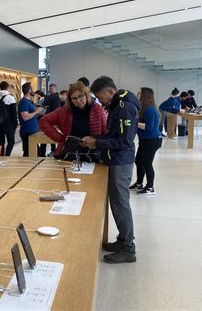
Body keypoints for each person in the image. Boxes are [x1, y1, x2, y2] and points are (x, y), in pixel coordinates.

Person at [82, 76, 139, 264]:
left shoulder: (124, 108)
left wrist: (97, 142)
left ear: (110, 92)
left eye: (102, 97)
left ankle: (128, 248)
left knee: (121, 204)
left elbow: (124, 141)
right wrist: (96, 138)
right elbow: (114, 134)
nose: (102, 102)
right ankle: (123, 241)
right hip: (115, 159)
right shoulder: (118, 106)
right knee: (117, 204)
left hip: (121, 161)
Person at [39, 81, 107, 160]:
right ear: (70, 99)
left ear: (86, 95)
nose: (78, 100)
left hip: (93, 153)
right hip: (71, 153)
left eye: (81, 96)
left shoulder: (97, 109)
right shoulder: (64, 111)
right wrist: (61, 138)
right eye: (74, 98)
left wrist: (95, 140)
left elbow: (106, 133)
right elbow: (43, 121)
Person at [129, 87, 162, 195]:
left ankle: (150, 187)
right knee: (139, 161)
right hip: (145, 140)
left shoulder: (150, 109)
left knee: (147, 163)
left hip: (152, 141)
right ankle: (139, 183)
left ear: (145, 96)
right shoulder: (144, 108)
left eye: (139, 94)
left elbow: (148, 127)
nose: (137, 96)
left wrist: (133, 122)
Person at [0, 81, 18, 156]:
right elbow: (14, 114)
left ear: (0, 87)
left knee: (1, 141)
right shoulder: (10, 98)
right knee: (11, 141)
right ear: (8, 87)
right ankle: (7, 156)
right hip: (8, 124)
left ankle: (1, 157)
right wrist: (15, 125)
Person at [18, 82, 43, 156]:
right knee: (30, 153)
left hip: (31, 131)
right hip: (27, 132)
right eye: (32, 89)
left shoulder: (28, 101)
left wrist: (36, 110)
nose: (33, 91)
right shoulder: (24, 102)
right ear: (29, 90)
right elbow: (25, 117)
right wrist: (37, 111)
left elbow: (30, 112)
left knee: (33, 153)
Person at [42, 83, 62, 155]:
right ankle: (53, 151)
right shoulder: (57, 97)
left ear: (55, 89)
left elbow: (43, 105)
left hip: (51, 120)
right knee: (52, 136)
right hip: (53, 119)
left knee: (48, 135)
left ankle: (43, 152)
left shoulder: (52, 97)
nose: (50, 90)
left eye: (52, 89)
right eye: (49, 89)